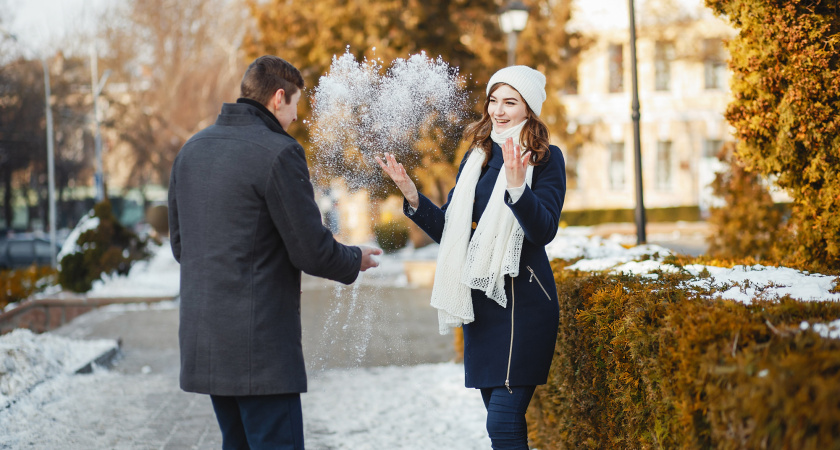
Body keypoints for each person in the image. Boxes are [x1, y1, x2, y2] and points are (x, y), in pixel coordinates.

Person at [168, 55, 382, 449]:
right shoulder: (279, 152)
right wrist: (355, 258)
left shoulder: (191, 150)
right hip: (260, 351)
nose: (297, 117)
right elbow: (310, 249)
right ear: (278, 98)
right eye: (296, 103)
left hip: (206, 341)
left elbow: (182, 245)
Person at [377, 65, 566, 449]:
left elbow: (543, 230)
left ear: (528, 108)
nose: (498, 110)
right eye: (493, 100)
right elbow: (452, 232)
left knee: (503, 423)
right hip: (480, 304)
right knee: (501, 426)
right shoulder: (477, 157)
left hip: (522, 305)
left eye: (510, 102)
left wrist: (518, 187)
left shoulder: (545, 159)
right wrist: (412, 195)